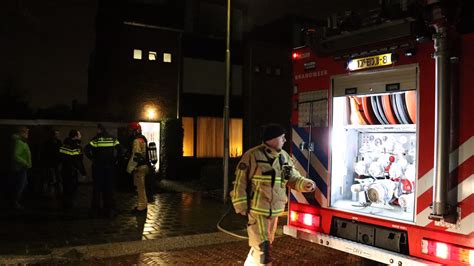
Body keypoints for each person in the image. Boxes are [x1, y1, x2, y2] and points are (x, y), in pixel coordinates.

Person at [230, 124, 316, 266]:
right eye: (282, 137)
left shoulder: (284, 157)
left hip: (275, 211)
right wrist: (241, 205)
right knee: (264, 250)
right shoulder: (252, 155)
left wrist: (305, 184)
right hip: (257, 210)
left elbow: (291, 178)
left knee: (263, 243)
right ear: (272, 139)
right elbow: (240, 182)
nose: (285, 140)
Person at [84, 124, 121, 218]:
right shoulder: (113, 139)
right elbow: (121, 150)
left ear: (99, 130)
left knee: (97, 189)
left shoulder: (96, 139)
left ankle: (95, 210)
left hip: (98, 168)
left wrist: (92, 158)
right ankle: (110, 209)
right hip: (110, 167)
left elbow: (86, 149)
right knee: (109, 188)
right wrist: (115, 160)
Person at [126, 122, 150, 215]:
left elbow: (136, 155)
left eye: (131, 131)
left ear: (135, 131)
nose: (130, 133)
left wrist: (130, 167)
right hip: (144, 166)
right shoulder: (143, 138)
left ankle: (141, 208)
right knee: (141, 188)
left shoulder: (136, 140)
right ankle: (141, 205)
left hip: (139, 167)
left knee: (140, 188)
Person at [59, 129, 86, 209]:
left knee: (65, 189)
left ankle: (65, 205)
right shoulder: (77, 148)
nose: (80, 136)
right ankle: (70, 207)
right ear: (75, 136)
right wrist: (83, 172)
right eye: (79, 134)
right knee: (72, 190)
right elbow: (78, 162)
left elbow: (60, 158)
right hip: (72, 172)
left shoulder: (63, 146)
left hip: (64, 170)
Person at [10, 126, 32, 210]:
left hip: (22, 167)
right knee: (20, 185)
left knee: (22, 184)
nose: (27, 134)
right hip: (21, 168)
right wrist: (26, 163)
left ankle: (15, 201)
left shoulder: (22, 142)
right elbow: (15, 155)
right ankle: (15, 202)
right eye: (26, 132)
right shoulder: (19, 142)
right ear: (21, 133)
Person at [41, 129, 62, 198]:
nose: (58, 135)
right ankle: (50, 194)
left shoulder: (59, 142)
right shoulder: (47, 143)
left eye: (58, 134)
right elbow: (44, 154)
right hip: (50, 164)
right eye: (57, 134)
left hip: (57, 164)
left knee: (58, 179)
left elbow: (61, 151)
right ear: (53, 135)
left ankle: (58, 193)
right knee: (51, 180)